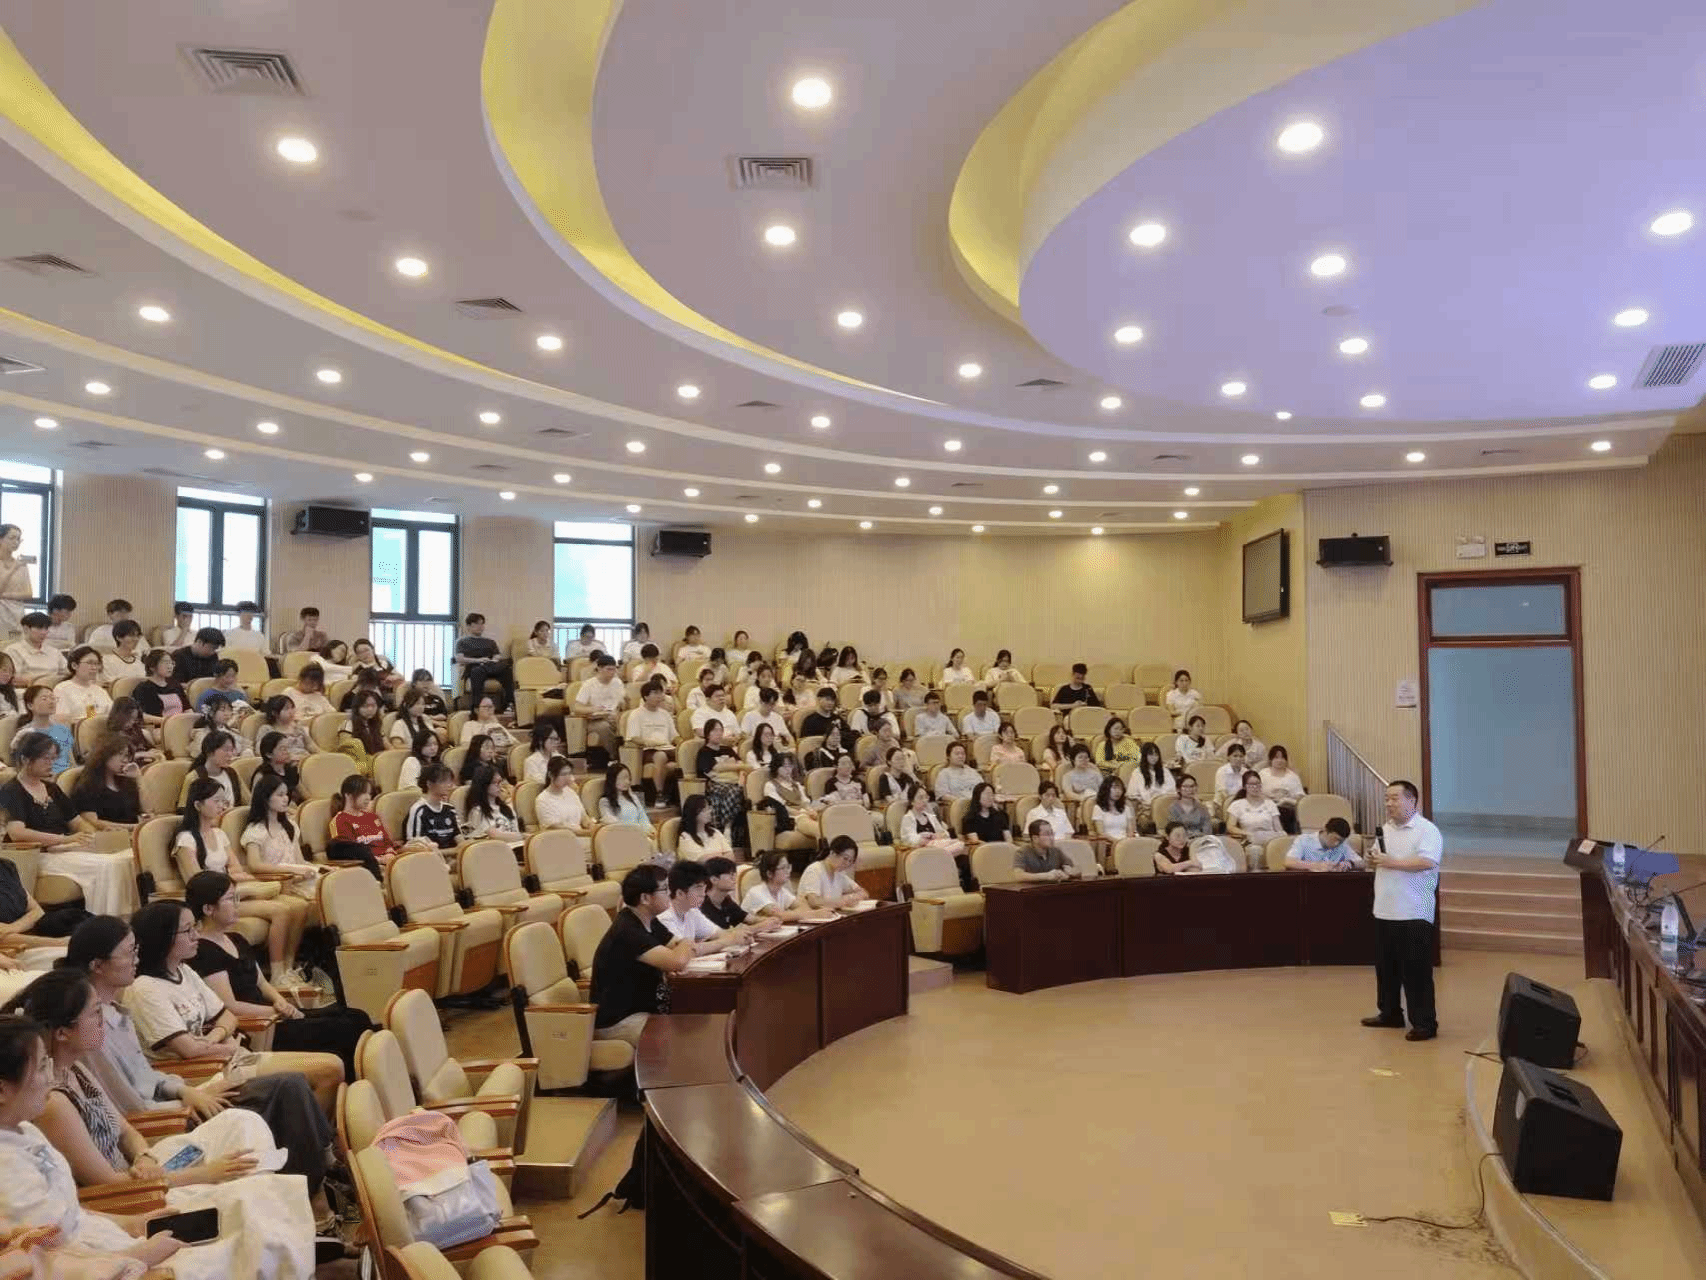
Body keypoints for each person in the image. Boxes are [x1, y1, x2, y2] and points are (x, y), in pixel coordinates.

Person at [0, 1011, 316, 1280]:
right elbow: (45, 1263)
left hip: (109, 1237)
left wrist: (133, 1222)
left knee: (254, 1200)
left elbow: (71, 1212)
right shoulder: (8, 1165)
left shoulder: (26, 1129)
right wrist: (138, 1255)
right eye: (40, 1067)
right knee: (258, 1231)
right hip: (104, 1263)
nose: (50, 1076)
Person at [65, 915, 338, 1214]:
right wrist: (186, 1101)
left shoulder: (115, 1012)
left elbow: (148, 1077)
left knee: (291, 1085)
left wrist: (185, 1091)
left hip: (181, 1098)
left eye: (137, 950)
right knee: (287, 1090)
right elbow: (130, 1106)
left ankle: (318, 1185)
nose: (136, 959)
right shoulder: (91, 1033)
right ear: (97, 965)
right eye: (129, 952)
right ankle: (315, 1198)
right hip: (166, 1120)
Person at [123, 900, 342, 1112]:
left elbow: (227, 1017)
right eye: (187, 930)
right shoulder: (145, 989)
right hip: (202, 1074)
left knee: (333, 1064)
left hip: (226, 1058)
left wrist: (213, 1037)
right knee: (328, 1070)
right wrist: (225, 1046)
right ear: (162, 938)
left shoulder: (184, 971)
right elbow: (189, 1050)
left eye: (195, 927)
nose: (196, 935)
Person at [185, 873, 369, 1078]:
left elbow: (262, 982)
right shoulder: (203, 952)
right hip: (260, 1030)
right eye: (230, 899)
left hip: (275, 1016)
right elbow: (230, 1006)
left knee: (356, 1016)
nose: (237, 905)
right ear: (208, 909)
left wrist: (280, 1001)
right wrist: (275, 1012)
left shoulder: (236, 939)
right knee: (345, 1029)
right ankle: (351, 1087)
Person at [173, 780, 305, 983]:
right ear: (198, 805)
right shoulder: (186, 839)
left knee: (299, 906)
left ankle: (289, 967)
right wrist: (240, 888)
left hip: (230, 892)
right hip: (212, 902)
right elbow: (197, 882)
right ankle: (277, 975)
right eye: (216, 801)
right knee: (281, 910)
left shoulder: (219, 834)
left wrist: (253, 882)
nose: (222, 806)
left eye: (223, 801)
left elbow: (235, 869)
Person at [2, 733, 133, 916]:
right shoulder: (11, 791)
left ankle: (124, 919)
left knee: (125, 858)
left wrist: (93, 837)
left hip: (65, 848)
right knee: (108, 865)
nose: (51, 763)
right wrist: (63, 840)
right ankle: (104, 922)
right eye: (46, 758)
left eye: (53, 758)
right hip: (38, 855)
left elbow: (77, 822)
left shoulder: (52, 788)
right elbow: (18, 833)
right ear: (25, 759)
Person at [1362, 781, 1443, 1041]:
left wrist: (1391, 862)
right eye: (1386, 798)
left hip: (1413, 911)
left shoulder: (1427, 830)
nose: (1389, 804)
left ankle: (1424, 1023)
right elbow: (1381, 861)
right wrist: (1372, 859)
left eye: (1395, 798)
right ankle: (1390, 1013)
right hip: (1385, 909)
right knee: (1386, 969)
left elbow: (1427, 861)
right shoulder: (1385, 829)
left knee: (1416, 972)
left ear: (1412, 800)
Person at [589, 865, 693, 1048]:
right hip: (620, 1020)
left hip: (645, 1009)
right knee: (679, 1038)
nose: (670, 894)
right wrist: (687, 942)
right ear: (645, 898)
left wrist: (688, 946)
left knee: (695, 1019)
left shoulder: (649, 921)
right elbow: (676, 961)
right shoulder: (627, 930)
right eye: (664, 889)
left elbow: (677, 948)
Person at [238, 776, 320, 901]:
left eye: (286, 794)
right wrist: (291, 870)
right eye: (280, 795)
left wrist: (320, 869)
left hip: (298, 879)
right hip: (278, 882)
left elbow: (300, 861)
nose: (286, 798)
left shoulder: (290, 825)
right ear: (265, 798)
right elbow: (254, 865)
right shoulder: (256, 830)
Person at [655, 862, 746, 954]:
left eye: (704, 888)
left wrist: (739, 935)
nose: (703, 894)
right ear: (680, 893)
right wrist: (728, 941)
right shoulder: (665, 917)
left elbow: (718, 933)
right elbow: (686, 951)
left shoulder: (692, 911)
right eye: (698, 888)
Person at [327, 776, 397, 878]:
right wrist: (380, 860)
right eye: (363, 793)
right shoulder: (340, 820)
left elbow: (387, 842)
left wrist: (390, 852)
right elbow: (351, 853)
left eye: (369, 793)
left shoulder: (372, 817)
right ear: (348, 795)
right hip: (368, 868)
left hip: (390, 862)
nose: (368, 798)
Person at [623, 682, 679, 808]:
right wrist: (647, 742)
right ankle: (659, 794)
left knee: (684, 756)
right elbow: (633, 738)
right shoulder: (636, 714)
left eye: (661, 693)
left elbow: (674, 736)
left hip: (667, 747)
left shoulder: (665, 714)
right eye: (655, 693)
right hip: (648, 750)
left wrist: (682, 744)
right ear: (645, 696)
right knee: (660, 756)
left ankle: (683, 794)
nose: (659, 696)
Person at [68, 738, 142, 831]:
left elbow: (147, 810)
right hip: (109, 836)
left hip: (135, 833)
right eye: (120, 754)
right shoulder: (87, 786)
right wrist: (136, 827)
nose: (125, 760)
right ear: (105, 755)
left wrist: (138, 778)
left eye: (126, 755)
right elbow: (93, 822)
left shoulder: (127, 781)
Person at [572, 654, 626, 765]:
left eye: (614, 669)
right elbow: (577, 707)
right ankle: (615, 757)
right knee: (604, 727)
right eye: (609, 669)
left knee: (626, 721)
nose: (612, 672)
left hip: (613, 716)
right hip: (595, 719)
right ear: (600, 669)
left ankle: (629, 756)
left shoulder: (617, 683)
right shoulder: (589, 684)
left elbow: (621, 704)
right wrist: (593, 709)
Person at [178, 731, 245, 810]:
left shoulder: (232, 774)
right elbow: (183, 809)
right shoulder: (194, 777)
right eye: (226, 750)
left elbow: (248, 801)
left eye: (231, 750)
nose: (230, 754)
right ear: (210, 752)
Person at [799, 836, 868, 910]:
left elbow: (864, 893)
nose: (847, 863)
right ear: (832, 853)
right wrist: (842, 901)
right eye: (845, 858)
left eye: (850, 861)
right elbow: (813, 902)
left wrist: (852, 898)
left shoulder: (839, 873)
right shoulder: (814, 870)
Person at [1225, 771, 1284, 857]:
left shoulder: (1270, 804)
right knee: (1255, 849)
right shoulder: (1237, 805)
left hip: (1270, 838)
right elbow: (1230, 827)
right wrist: (1247, 834)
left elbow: (1278, 828)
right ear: (1244, 787)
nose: (1255, 787)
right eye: (1251, 784)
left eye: (1258, 784)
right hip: (1251, 838)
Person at [404, 765, 461, 851]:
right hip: (431, 856)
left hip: (453, 855)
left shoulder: (450, 809)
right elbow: (417, 847)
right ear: (429, 784)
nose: (450, 785)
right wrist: (454, 851)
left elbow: (460, 839)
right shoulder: (419, 810)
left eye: (450, 781)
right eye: (444, 781)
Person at [19, 686, 74, 774]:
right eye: (44, 699)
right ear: (30, 705)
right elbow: (25, 767)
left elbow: (71, 760)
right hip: (44, 777)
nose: (51, 702)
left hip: (67, 776)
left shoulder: (62, 729)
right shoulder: (26, 733)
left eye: (52, 698)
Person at [740, 851, 807, 921]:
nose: (788, 871)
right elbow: (781, 916)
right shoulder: (756, 892)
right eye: (783, 868)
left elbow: (804, 907)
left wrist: (802, 913)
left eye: (788, 867)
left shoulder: (782, 891)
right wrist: (802, 914)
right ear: (769, 874)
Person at [50, 648, 110, 725]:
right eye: (89, 663)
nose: (94, 668)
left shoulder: (99, 690)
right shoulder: (62, 689)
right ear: (74, 665)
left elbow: (112, 714)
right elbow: (60, 720)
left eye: (96, 664)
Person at [535, 756, 593, 835]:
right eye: (563, 774)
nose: (567, 778)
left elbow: (584, 817)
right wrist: (586, 833)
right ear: (551, 775)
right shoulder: (542, 800)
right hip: (560, 838)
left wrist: (591, 826)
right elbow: (556, 828)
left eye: (569, 774)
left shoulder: (570, 792)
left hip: (580, 835)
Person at [462, 767, 522, 842]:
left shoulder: (507, 808)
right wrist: (523, 836)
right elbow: (493, 835)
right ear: (484, 785)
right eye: (494, 783)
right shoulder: (477, 812)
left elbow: (515, 831)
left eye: (500, 782)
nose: (500, 786)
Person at [130, 649, 186, 728]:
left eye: (171, 663)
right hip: (159, 728)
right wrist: (167, 721)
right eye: (165, 663)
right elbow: (142, 715)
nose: (170, 666)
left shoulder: (175, 685)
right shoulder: (143, 688)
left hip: (180, 725)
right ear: (152, 667)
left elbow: (187, 709)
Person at [4, 614, 65, 685]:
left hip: (56, 688)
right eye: (39, 628)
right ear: (26, 629)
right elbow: (13, 679)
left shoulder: (54, 651)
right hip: (28, 689)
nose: (44, 632)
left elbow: (67, 673)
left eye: (46, 628)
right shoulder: (13, 651)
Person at [1260, 745, 1308, 834]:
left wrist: (1286, 799)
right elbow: (1257, 792)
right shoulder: (1263, 773)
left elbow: (1300, 796)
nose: (1280, 760)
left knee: (1285, 812)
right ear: (1270, 759)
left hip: (1287, 807)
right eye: (1276, 757)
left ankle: (1286, 836)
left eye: (1282, 758)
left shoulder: (1292, 776)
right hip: (1267, 805)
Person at [1287, 817, 1364, 871]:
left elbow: (1362, 863)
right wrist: (1316, 866)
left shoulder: (1342, 845)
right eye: (1335, 839)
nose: (1337, 844)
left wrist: (1350, 864)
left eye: (1340, 841)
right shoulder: (1304, 840)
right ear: (1325, 830)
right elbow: (1289, 861)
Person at [1131, 741, 1175, 832]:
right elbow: (1134, 794)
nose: (1154, 757)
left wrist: (1159, 798)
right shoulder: (1137, 773)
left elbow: (1172, 790)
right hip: (1146, 808)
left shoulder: (1165, 771)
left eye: (1156, 754)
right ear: (1144, 756)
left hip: (1165, 806)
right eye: (1151, 754)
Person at [1013, 820, 1079, 882]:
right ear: (1035, 838)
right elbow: (1018, 875)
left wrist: (1069, 872)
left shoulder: (1056, 850)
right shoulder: (1022, 852)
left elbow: (1077, 870)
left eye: (1052, 833)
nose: (1052, 838)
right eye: (1047, 834)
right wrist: (1046, 876)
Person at [597, 763, 653, 835]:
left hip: (640, 834)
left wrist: (648, 829)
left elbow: (643, 817)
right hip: (622, 835)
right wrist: (635, 830)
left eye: (628, 778)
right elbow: (610, 821)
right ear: (613, 780)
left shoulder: (633, 797)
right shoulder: (605, 801)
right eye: (623, 778)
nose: (627, 782)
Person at [676, 794, 733, 863]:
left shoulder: (715, 832)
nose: (709, 812)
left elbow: (731, 856)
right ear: (693, 813)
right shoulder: (685, 837)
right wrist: (722, 855)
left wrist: (713, 856)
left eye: (709, 808)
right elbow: (702, 861)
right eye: (704, 810)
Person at [0, 524, 34, 638]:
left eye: (18, 539)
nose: (16, 542)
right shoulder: (17, 566)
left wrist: (4, 595)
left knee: (14, 644)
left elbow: (28, 594)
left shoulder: (21, 565)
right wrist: (13, 569)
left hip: (16, 614)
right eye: (12, 538)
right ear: (1, 539)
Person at [252, 732, 303, 806]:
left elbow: (302, 793)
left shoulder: (291, 769)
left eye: (288, 748)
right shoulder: (262, 775)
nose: (288, 752)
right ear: (269, 754)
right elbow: (257, 804)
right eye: (283, 749)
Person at [104, 697, 157, 767]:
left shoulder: (134, 729)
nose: (132, 722)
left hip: (147, 762)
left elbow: (146, 746)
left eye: (134, 719)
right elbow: (116, 758)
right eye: (130, 718)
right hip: (131, 767)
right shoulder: (112, 735)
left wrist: (151, 751)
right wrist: (140, 755)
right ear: (120, 715)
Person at [258, 695, 310, 761]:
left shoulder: (298, 728)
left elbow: (310, 745)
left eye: (292, 707)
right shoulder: (267, 730)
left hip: (305, 760)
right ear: (274, 713)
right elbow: (260, 752)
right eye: (286, 709)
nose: (291, 711)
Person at [396, 724, 442, 792]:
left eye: (435, 744)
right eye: (428, 745)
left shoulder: (437, 762)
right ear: (419, 746)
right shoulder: (412, 761)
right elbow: (410, 787)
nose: (433, 748)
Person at [99, 620, 147, 684]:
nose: (136, 639)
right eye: (131, 635)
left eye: (138, 636)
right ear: (119, 637)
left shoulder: (139, 659)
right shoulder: (107, 661)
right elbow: (109, 684)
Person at [1168, 773, 1214, 840]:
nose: (1189, 789)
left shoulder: (1202, 808)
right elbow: (1174, 830)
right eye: (1185, 786)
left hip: (1201, 840)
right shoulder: (1173, 808)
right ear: (1178, 789)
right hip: (1181, 841)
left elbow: (1208, 830)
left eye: (1192, 786)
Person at [1091, 776, 1134, 841]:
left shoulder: (1126, 808)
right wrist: (1116, 841)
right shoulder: (1098, 808)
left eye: (1120, 789)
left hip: (1126, 842)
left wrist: (1126, 842)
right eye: (1114, 788)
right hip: (1109, 842)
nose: (1118, 791)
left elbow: (1130, 831)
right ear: (1106, 789)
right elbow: (1101, 833)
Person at [1215, 743, 1249, 807]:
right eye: (1235, 756)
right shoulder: (1222, 771)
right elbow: (1223, 792)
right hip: (1224, 803)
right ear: (1228, 757)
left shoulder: (1246, 772)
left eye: (1241, 756)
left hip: (1242, 803)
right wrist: (1234, 803)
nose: (1238, 759)